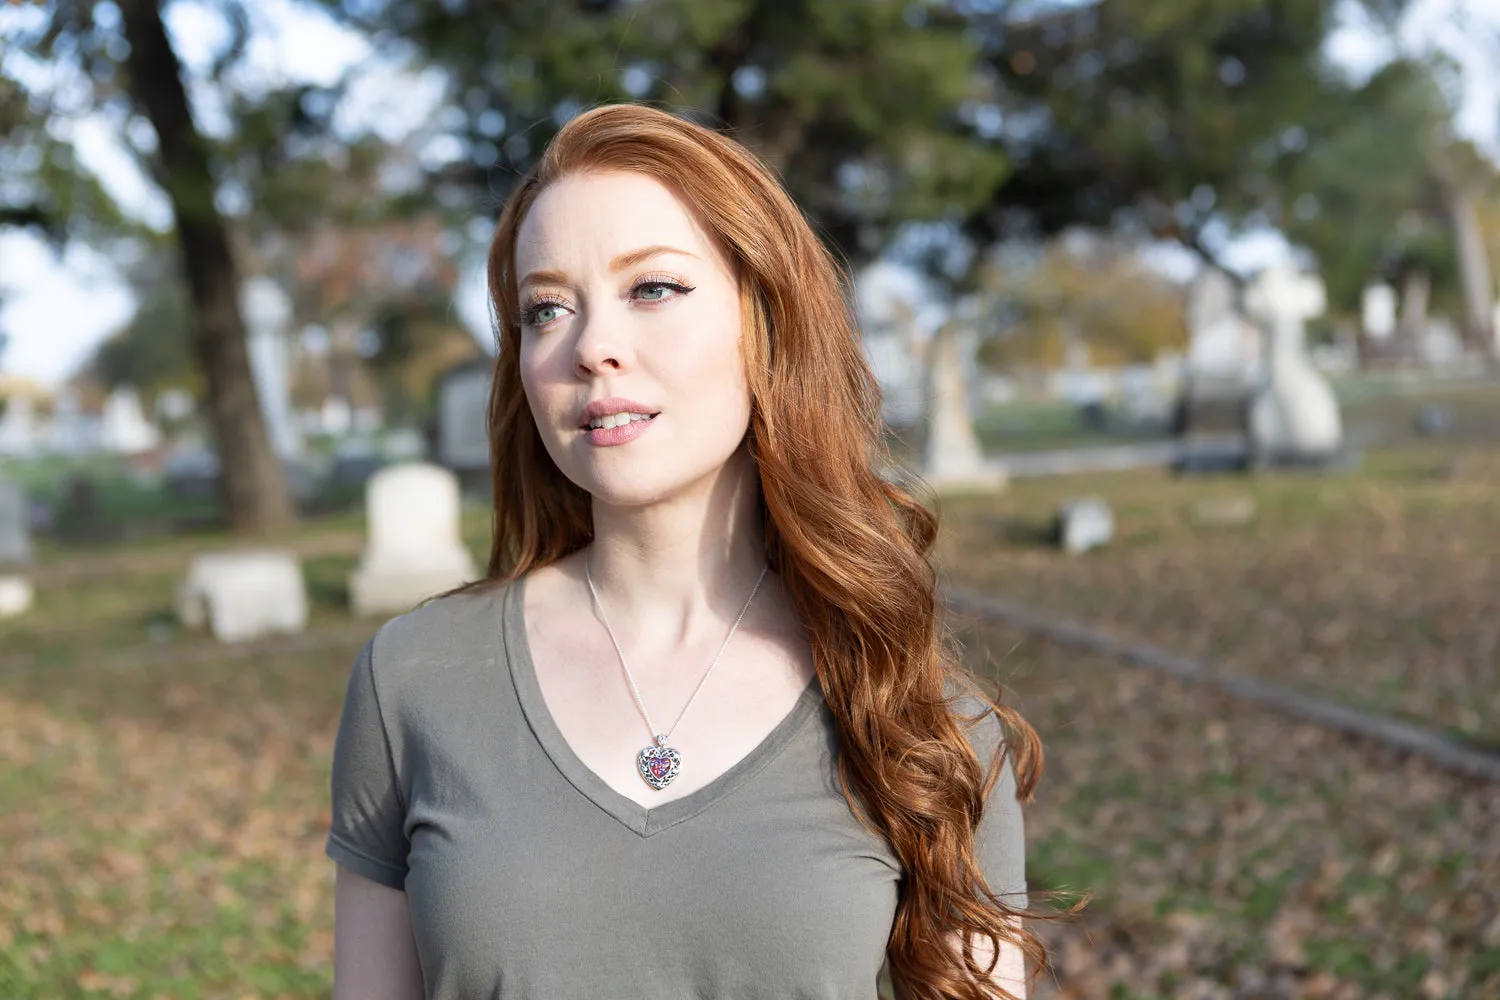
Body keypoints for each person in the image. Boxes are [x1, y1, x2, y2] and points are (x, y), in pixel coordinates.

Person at [326, 102, 1045, 1000]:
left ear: (766, 322)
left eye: (653, 288)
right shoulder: (415, 680)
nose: (593, 347)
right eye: (545, 309)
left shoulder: (921, 718)